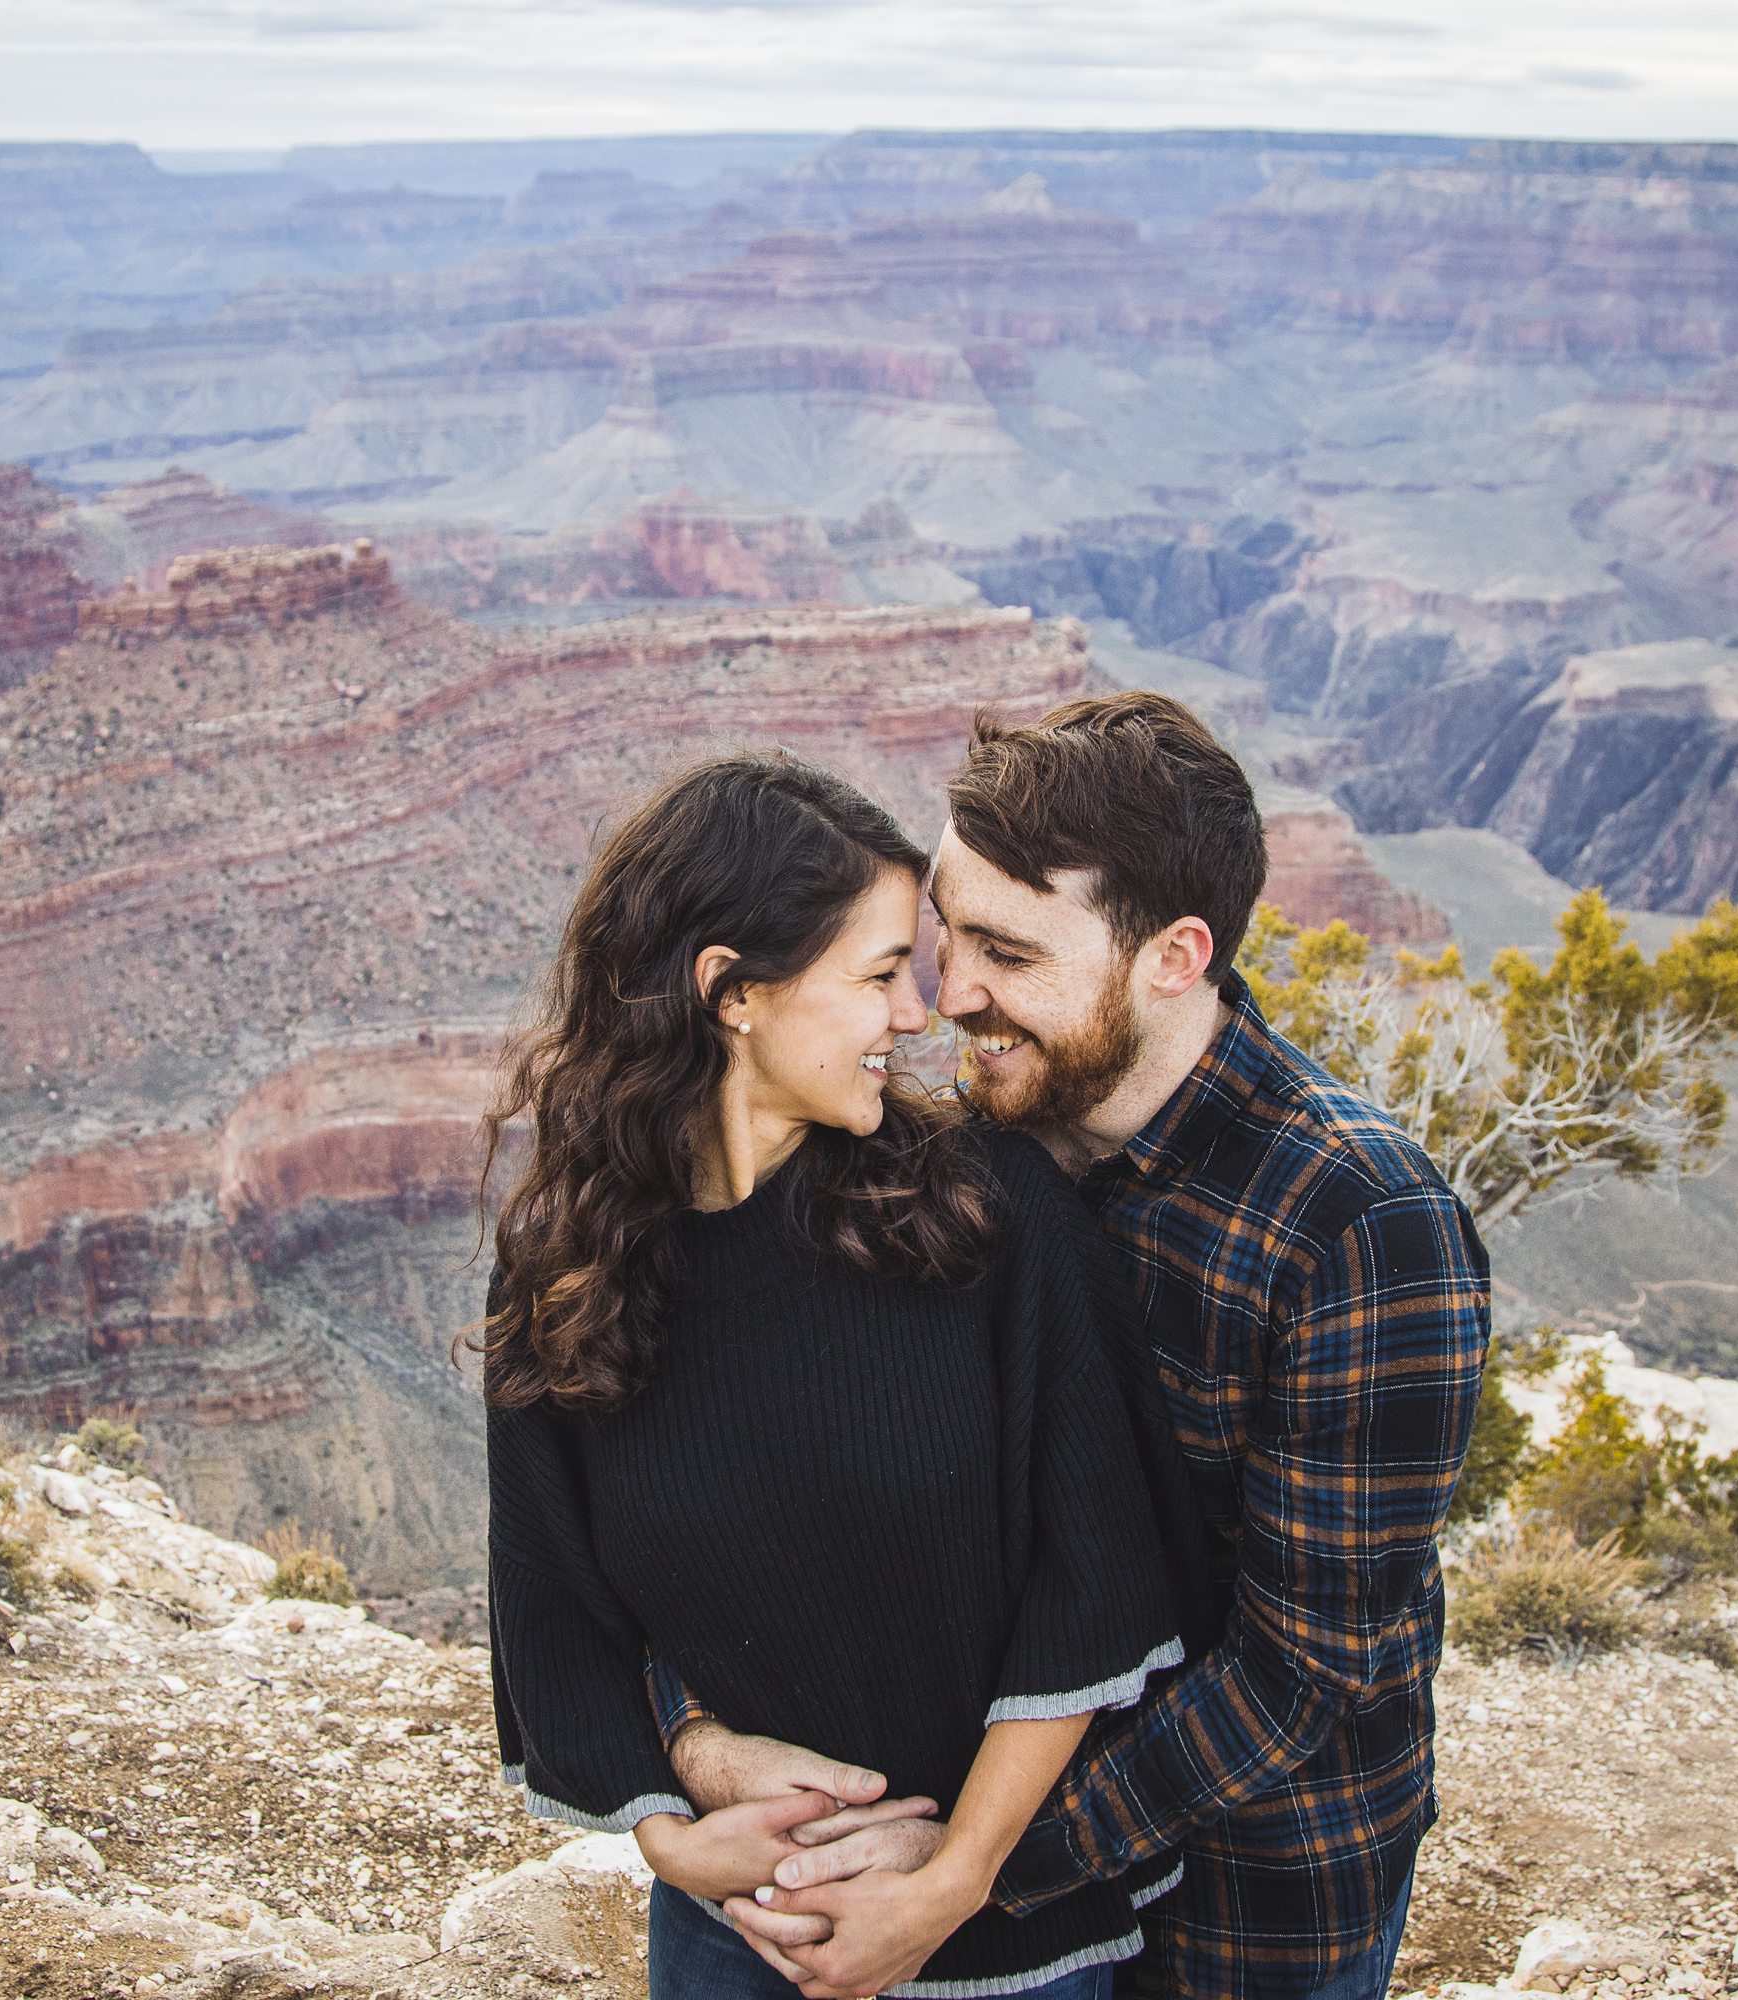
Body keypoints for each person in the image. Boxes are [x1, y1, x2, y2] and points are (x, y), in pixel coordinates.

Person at [675, 692, 1492, 2000]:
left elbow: (1296, 1675)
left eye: (1008, 950)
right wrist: (709, 1750)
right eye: (943, 931)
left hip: (1243, 1911)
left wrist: (968, 1873)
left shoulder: (1359, 1229)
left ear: (1176, 957)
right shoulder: (959, 1157)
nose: (950, 996)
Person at [478, 752, 1209, 1999]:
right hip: (741, 1934)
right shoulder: (569, 1269)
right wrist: (680, 1828)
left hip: (1011, 1951)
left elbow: (1097, 1579)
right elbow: (553, 1604)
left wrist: (954, 1877)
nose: (920, 1013)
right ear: (732, 993)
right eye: (879, 975)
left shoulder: (988, 1215)